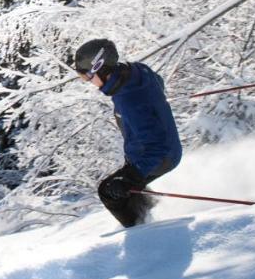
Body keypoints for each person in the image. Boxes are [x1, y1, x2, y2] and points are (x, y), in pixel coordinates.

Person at [69, 38, 182, 227]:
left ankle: (142, 233)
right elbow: (157, 81)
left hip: (159, 157)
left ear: (100, 68)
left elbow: (158, 146)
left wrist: (132, 177)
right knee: (125, 188)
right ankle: (151, 216)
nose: (88, 82)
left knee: (110, 191)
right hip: (152, 152)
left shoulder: (130, 99)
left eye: (87, 76)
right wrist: (155, 101)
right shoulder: (135, 72)